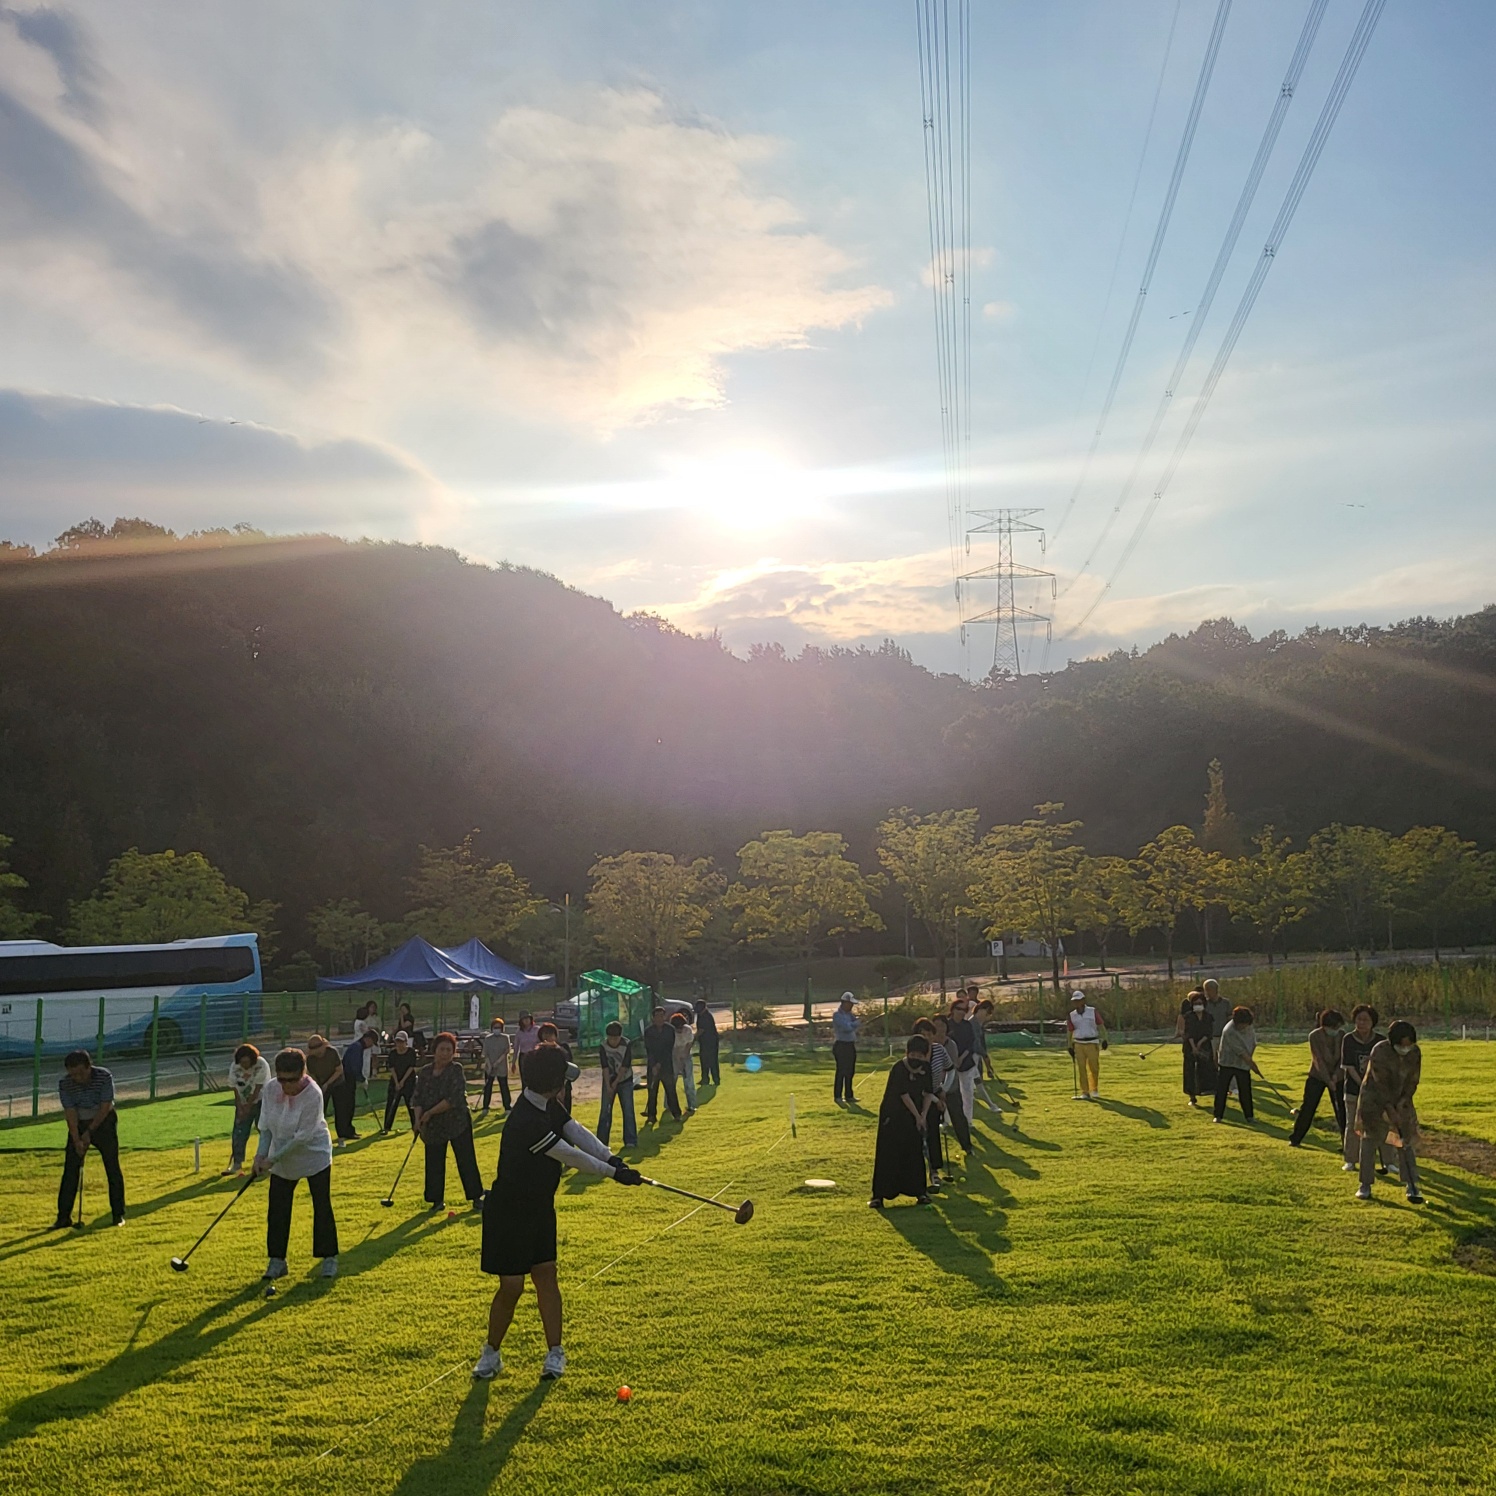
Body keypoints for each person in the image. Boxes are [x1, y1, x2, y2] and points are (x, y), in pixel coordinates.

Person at [472, 1044, 644, 1381]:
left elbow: (574, 1130)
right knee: (512, 1287)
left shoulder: (548, 1104)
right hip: (508, 1213)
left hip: (539, 1207)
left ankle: (555, 1353)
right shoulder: (525, 1120)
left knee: (546, 1275)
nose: (566, 1084)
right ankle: (491, 1353)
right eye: (563, 1079)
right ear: (552, 1082)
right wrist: (613, 1174)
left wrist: (611, 1158)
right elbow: (569, 1154)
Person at [253, 1047, 339, 1280]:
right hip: (281, 1157)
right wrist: (260, 1156)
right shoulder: (271, 1089)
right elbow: (266, 1127)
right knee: (277, 1209)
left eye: (291, 1080)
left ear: (303, 1074)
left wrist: (271, 1160)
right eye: (281, 1079)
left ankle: (329, 1257)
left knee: (322, 1206)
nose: (286, 1085)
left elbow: (302, 1137)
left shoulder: (313, 1094)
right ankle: (277, 1260)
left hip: (314, 1155)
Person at [1352, 1020, 1424, 1204]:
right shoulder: (1380, 1051)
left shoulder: (1415, 1052)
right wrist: (1390, 1109)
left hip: (1401, 1100)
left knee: (1405, 1140)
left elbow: (1413, 1080)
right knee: (1370, 1140)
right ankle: (1365, 1185)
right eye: (1402, 1045)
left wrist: (1402, 1103)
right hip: (1374, 1100)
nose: (1405, 1048)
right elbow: (1380, 1084)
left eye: (1409, 1044)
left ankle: (1412, 1185)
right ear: (1393, 1042)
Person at [412, 1032, 485, 1212]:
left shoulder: (456, 1069)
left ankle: (476, 1196)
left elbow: (453, 1098)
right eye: (442, 1049)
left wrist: (430, 1112)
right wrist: (417, 1119)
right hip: (433, 1126)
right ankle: (436, 1200)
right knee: (434, 1162)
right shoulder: (425, 1072)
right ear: (434, 1050)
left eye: (449, 1050)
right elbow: (417, 1098)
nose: (445, 1053)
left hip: (457, 1122)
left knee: (466, 1159)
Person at [53, 1050, 125, 1229]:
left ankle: (118, 1215)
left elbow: (105, 1107)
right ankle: (63, 1218)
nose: (77, 1078)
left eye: (80, 1073)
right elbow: (70, 1113)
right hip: (79, 1122)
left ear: (89, 1066)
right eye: (73, 1074)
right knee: (70, 1170)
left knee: (112, 1166)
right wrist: (76, 1138)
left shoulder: (104, 1076)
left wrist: (89, 1132)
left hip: (104, 1121)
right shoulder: (65, 1084)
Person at [870, 1035, 935, 1208]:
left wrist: (923, 1115)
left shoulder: (926, 1068)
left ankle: (920, 1192)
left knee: (914, 1151)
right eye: (913, 1055)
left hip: (915, 1114)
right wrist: (918, 1116)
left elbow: (928, 1093)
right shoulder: (898, 1068)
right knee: (888, 1153)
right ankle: (879, 1196)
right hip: (893, 1115)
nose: (916, 1059)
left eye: (920, 1056)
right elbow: (903, 1094)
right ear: (907, 1053)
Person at [1339, 1005, 1396, 1175]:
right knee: (1352, 1125)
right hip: (1353, 1090)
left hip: (1377, 1092)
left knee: (1384, 1124)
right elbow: (1349, 1067)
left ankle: (1389, 1162)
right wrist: (1363, 1084)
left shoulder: (1381, 1041)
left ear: (1373, 1022)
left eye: (1366, 1020)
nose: (1362, 1023)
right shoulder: (1348, 1039)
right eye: (1359, 1019)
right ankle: (1350, 1160)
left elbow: (1385, 1067)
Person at [1288, 1009, 1346, 1147]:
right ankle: (1295, 1139)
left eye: (1338, 1027)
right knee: (1308, 1107)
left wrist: (1336, 1076)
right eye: (1334, 1027)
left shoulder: (1343, 1036)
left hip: (1338, 1077)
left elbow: (1343, 1059)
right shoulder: (1314, 1036)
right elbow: (1318, 1060)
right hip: (1317, 1076)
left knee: (1342, 1110)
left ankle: (1347, 1144)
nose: (1336, 1030)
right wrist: (1328, 1080)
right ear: (1325, 1025)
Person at [224, 1043, 271, 1175]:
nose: (244, 1066)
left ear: (252, 1060)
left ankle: (267, 1161)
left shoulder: (261, 1064)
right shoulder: (235, 1066)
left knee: (264, 1131)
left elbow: (257, 1089)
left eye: (246, 1062)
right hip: (243, 1102)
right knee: (239, 1132)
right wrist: (239, 1107)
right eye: (242, 1063)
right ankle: (237, 1164)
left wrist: (248, 1107)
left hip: (263, 1102)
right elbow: (234, 1088)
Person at [1213, 1007, 1264, 1122]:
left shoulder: (1249, 1026)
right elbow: (1240, 1052)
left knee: (1245, 1090)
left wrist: (1250, 1061)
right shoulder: (1229, 1031)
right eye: (1242, 1024)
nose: (1244, 1027)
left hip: (1243, 1064)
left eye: (1246, 1024)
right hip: (1227, 1062)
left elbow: (1253, 1043)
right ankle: (1218, 1115)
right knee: (1222, 1089)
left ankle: (1249, 1116)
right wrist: (1252, 1065)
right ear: (1236, 1022)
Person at [333, 1027, 378, 1145]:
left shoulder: (358, 1047)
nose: (371, 1046)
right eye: (372, 1043)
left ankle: (349, 1131)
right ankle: (344, 1132)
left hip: (348, 1080)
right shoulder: (357, 1048)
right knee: (345, 1107)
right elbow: (354, 1067)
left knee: (349, 1106)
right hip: (345, 1081)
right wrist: (362, 1079)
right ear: (368, 1039)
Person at [596, 1022, 638, 1148]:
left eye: (616, 1038)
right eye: (611, 1038)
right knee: (605, 1111)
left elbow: (625, 1066)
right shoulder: (603, 1046)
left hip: (625, 1080)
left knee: (628, 1110)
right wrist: (608, 1086)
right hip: (608, 1080)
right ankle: (601, 1143)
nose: (613, 1041)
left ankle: (630, 1140)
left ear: (620, 1036)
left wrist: (615, 1083)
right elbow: (604, 1067)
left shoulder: (627, 1044)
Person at [1066, 991, 1108, 1101]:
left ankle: (1094, 1089)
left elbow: (1101, 1026)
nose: (1076, 1003)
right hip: (1078, 1043)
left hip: (1092, 1042)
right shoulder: (1072, 1015)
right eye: (1074, 1001)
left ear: (1083, 1000)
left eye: (1078, 1000)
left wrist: (1105, 1039)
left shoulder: (1092, 1011)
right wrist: (1069, 1045)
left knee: (1094, 1067)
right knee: (1081, 1069)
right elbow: (1070, 1031)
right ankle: (1085, 1092)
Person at [642, 1006, 682, 1124]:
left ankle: (676, 1114)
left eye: (661, 1016)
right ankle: (651, 1115)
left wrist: (659, 1064)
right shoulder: (648, 1031)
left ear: (665, 1017)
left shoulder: (670, 1030)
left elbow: (668, 1049)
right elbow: (649, 1050)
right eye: (657, 1016)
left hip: (666, 1065)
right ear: (653, 1018)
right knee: (652, 1091)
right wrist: (653, 1065)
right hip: (652, 1066)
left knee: (670, 1091)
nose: (659, 1018)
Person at [947, 994, 980, 1124]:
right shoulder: (947, 1024)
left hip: (966, 1062)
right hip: (949, 1063)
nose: (961, 1012)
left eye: (964, 1010)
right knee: (948, 1092)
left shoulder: (967, 1025)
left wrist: (961, 1058)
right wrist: (954, 1059)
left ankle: (968, 1120)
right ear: (953, 1009)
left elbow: (970, 1043)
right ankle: (946, 1120)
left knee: (967, 1092)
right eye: (959, 1009)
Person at [1179, 991, 1216, 1108]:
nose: (1198, 1005)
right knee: (1190, 1070)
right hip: (1190, 1046)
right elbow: (1188, 1033)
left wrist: (1199, 1044)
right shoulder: (1188, 1017)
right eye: (1195, 1003)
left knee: (1206, 1068)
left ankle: (1207, 1090)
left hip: (1204, 1045)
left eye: (1200, 1003)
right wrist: (1193, 1047)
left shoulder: (1208, 1017)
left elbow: (1209, 1032)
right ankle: (1192, 1096)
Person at [966, 989, 1000, 1113]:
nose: (987, 1017)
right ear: (981, 1010)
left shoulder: (978, 1024)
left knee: (976, 1082)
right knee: (974, 1083)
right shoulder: (972, 1023)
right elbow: (976, 1044)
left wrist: (985, 1058)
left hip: (974, 1058)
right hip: (969, 1058)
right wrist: (984, 1055)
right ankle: (991, 1105)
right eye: (987, 1013)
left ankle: (991, 1105)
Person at [383, 1030, 419, 1133]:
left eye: (401, 1041)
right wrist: (397, 1082)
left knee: (410, 1104)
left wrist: (402, 1081)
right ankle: (387, 1126)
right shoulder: (393, 1053)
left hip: (409, 1081)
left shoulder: (411, 1052)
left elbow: (411, 1067)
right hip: (395, 1081)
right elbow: (392, 1068)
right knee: (391, 1103)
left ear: (406, 1042)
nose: (399, 1044)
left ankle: (415, 1125)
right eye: (397, 1041)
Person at [831, 993, 860, 1104]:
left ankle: (849, 1095)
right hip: (841, 1046)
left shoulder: (850, 1015)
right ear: (844, 1003)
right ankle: (838, 1096)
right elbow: (847, 1028)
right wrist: (856, 1023)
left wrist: (855, 1023)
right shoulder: (837, 1015)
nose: (852, 1006)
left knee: (850, 1071)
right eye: (850, 1003)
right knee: (841, 1071)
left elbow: (853, 1024)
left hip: (850, 1045)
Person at [304, 1034, 343, 1116]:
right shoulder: (310, 1059)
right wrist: (319, 1086)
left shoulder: (332, 1052)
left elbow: (339, 1070)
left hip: (336, 1082)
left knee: (341, 1109)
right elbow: (312, 1075)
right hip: (321, 1084)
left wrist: (327, 1083)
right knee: (320, 1110)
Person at [480, 1018, 513, 1113]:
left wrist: (497, 1062)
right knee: (488, 1087)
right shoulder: (488, 1038)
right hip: (489, 1066)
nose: (497, 1029)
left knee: (504, 1086)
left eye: (499, 1027)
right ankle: (485, 1107)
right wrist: (489, 1064)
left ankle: (507, 1107)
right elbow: (485, 1053)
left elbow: (506, 1051)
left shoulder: (505, 1038)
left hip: (501, 1066)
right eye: (495, 1027)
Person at [671, 1012, 698, 1115]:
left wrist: (684, 1058)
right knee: (671, 1081)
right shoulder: (671, 1033)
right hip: (674, 1057)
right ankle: (669, 1104)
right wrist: (679, 1062)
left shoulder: (688, 1030)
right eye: (678, 1028)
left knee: (689, 1081)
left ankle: (692, 1104)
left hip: (686, 1057)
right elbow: (674, 1049)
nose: (680, 1030)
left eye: (681, 1027)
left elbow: (689, 1045)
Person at [694, 997, 720, 1086]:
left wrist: (693, 1038)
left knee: (712, 1061)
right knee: (704, 1061)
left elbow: (701, 1030)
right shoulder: (700, 1015)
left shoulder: (706, 1016)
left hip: (711, 1042)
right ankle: (705, 1079)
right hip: (704, 1042)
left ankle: (716, 1079)